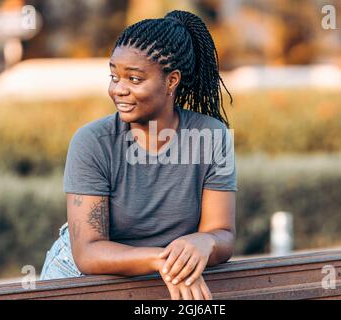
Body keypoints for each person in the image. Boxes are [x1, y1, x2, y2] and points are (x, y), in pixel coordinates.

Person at [40, 9, 237, 301]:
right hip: (79, 277)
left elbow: (222, 232)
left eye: (134, 79)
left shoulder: (211, 137)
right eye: (114, 76)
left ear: (172, 81)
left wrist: (204, 242)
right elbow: (89, 251)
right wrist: (164, 260)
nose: (118, 89)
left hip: (162, 277)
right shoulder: (93, 142)